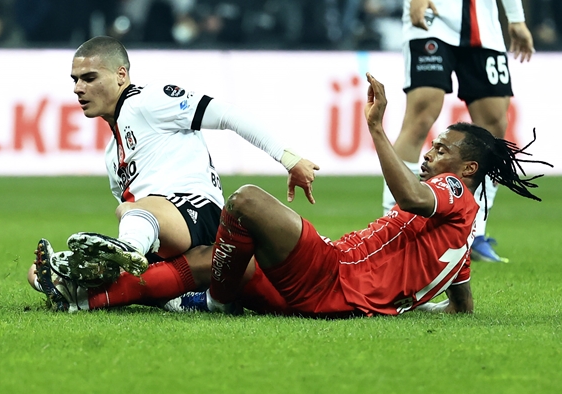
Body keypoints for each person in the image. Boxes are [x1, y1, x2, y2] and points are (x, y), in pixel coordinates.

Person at [201, 73, 550, 317]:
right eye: (433, 147)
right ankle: (177, 294)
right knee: (215, 260)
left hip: (333, 275)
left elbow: (412, 197)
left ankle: (215, 303)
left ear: (469, 169)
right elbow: (461, 307)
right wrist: (407, 303)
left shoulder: (452, 188)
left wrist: (376, 128)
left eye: (442, 150)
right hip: (336, 294)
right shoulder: (460, 245)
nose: (429, 154)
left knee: (244, 201)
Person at [30, 35, 319, 311]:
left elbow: (228, 114)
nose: (78, 88)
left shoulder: (150, 100)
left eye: (89, 78)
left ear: (120, 75)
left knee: (129, 210)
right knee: (39, 272)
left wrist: (289, 158)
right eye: (75, 80)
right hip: (164, 232)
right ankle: (160, 289)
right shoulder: (111, 155)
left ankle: (125, 254)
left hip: (200, 213)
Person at [382, 0, 535, 263]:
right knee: (420, 116)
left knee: (494, 126)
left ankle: (475, 233)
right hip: (434, 17)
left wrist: (515, 17)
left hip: (483, 27)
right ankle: (393, 223)